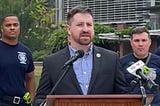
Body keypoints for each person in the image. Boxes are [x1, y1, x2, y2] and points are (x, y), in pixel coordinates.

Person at [33, 6, 128, 106]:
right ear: (69, 29)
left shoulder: (111, 59)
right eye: (80, 25)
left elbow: (124, 96)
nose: (86, 29)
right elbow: (40, 99)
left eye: (89, 25)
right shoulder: (52, 62)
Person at [0, 14, 36, 106]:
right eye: (8, 25)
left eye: (15, 25)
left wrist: (31, 98)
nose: (12, 28)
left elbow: (30, 78)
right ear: (1, 28)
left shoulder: (26, 51)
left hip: (21, 103)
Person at [120, 27, 160, 106]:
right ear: (131, 43)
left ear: (149, 42)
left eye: (144, 40)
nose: (140, 44)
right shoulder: (121, 63)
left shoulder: (158, 61)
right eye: (136, 41)